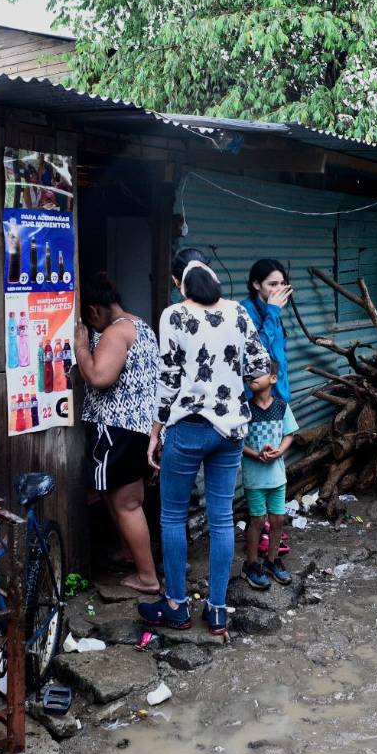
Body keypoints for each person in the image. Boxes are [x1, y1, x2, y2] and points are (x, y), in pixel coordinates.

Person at [138, 249, 271, 636]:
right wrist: (230, 387)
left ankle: (176, 606)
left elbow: (168, 380)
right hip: (230, 431)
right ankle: (216, 610)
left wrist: (155, 431)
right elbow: (260, 368)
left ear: (176, 281)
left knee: (172, 516)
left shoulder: (174, 315)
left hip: (189, 428)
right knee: (222, 518)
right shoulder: (238, 312)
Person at [74, 272, 161, 594]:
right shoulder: (141, 325)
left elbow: (99, 377)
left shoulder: (114, 333)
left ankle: (147, 577)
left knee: (127, 504)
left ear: (93, 311)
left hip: (117, 429)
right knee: (122, 498)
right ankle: (129, 553)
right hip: (140, 429)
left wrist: (82, 347)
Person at [240, 359, 298, 590]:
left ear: (273, 379)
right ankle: (251, 564)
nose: (251, 377)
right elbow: (239, 441)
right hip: (254, 478)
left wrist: (279, 452)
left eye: (258, 373)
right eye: (249, 375)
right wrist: (256, 454)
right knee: (257, 520)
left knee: (277, 520)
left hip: (277, 477)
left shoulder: (282, 407)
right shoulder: (245, 409)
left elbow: (289, 434)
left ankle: (272, 561)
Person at [242, 259, 294, 401]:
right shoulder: (245, 311)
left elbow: (280, 351)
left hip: (279, 390)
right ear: (256, 284)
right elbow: (255, 350)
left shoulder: (272, 308)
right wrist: (273, 311)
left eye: (282, 283)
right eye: (273, 284)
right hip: (258, 397)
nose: (280, 289)